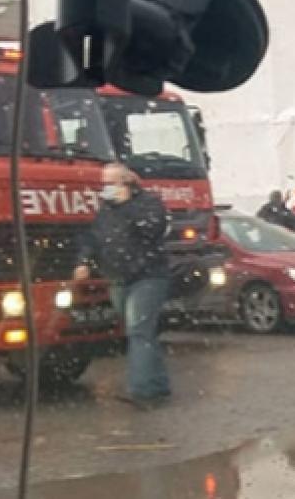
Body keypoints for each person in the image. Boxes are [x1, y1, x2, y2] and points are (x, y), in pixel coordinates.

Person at [74, 163, 171, 408]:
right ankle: (158, 383)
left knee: (138, 330)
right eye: (104, 183)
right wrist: (84, 261)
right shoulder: (105, 210)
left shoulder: (149, 203)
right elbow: (94, 237)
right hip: (117, 277)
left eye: (111, 183)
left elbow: (153, 229)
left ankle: (142, 390)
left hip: (148, 276)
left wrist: (127, 205)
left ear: (126, 182)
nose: (106, 188)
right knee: (141, 331)